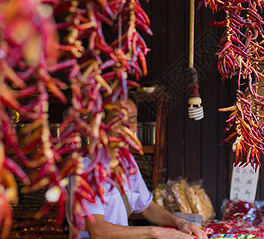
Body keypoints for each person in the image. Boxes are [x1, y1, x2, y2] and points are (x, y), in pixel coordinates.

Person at [76, 94, 207, 239]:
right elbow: (98, 231)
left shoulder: (127, 161)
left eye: (132, 120)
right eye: (118, 120)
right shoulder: (84, 168)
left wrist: (180, 222)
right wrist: (155, 232)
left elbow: (147, 207)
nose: (127, 128)